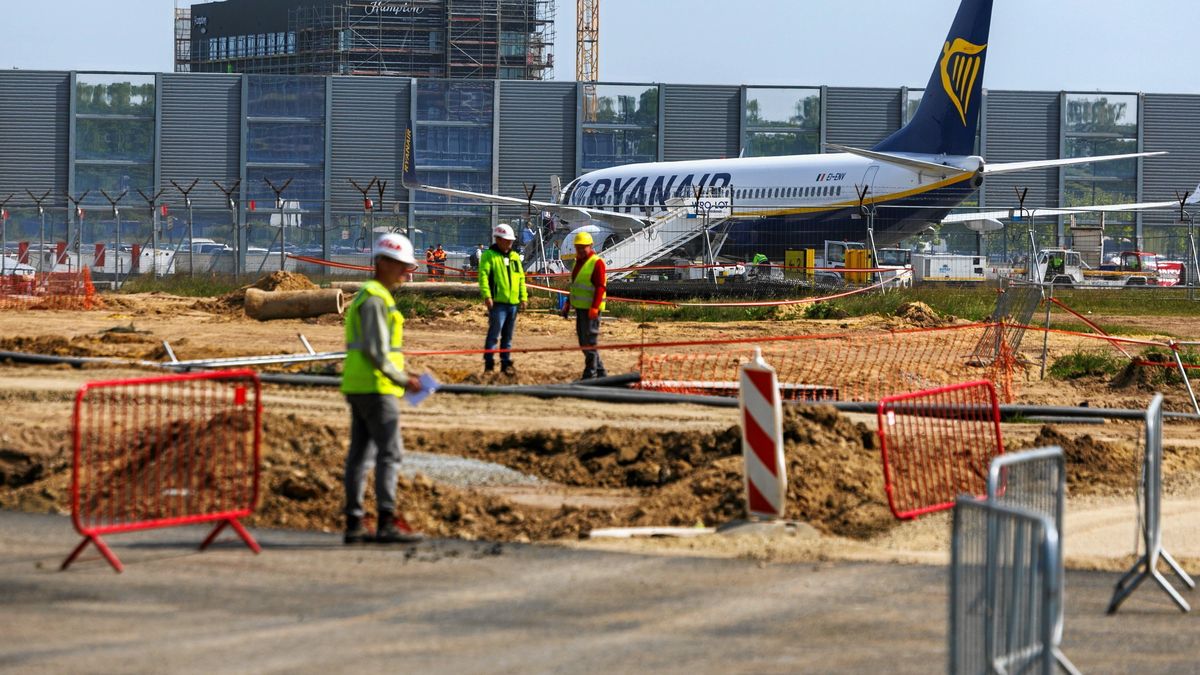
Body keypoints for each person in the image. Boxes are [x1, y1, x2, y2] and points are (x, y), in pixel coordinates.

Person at [340, 233, 425, 545]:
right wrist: (404, 380)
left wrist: (405, 371)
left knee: (360, 456)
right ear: (383, 263)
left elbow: (379, 351)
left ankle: (354, 523)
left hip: (361, 385)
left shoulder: (370, 296)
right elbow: (376, 353)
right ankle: (385, 521)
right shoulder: (376, 299)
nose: (407, 272)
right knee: (389, 453)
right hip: (377, 389)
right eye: (402, 265)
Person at [478, 224, 528, 375]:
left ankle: (505, 363)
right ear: (498, 239)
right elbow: (483, 277)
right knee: (494, 334)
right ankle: (489, 363)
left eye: (510, 240)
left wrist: (523, 297)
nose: (509, 243)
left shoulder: (514, 257)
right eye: (507, 240)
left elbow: (520, 278)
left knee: (507, 336)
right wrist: (487, 296)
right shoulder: (489, 256)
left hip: (512, 303)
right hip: (498, 303)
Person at [560, 230, 607, 380]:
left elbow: (600, 287)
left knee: (590, 342)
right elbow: (574, 286)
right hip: (580, 308)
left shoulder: (597, 263)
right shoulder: (577, 263)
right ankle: (600, 373)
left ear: (591, 246)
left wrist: (594, 307)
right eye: (578, 247)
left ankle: (590, 374)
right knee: (583, 341)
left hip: (591, 310)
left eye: (583, 247)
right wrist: (568, 304)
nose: (580, 250)